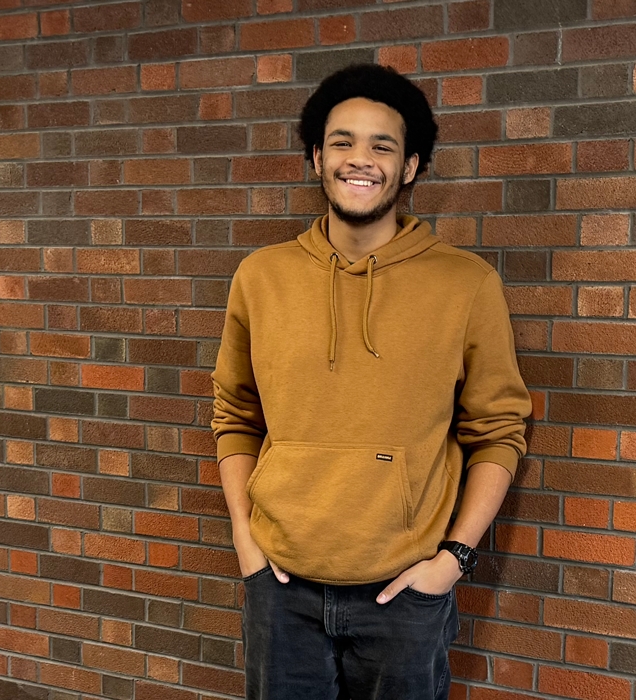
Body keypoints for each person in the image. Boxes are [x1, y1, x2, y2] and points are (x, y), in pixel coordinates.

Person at [211, 64, 532, 700]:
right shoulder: (260, 277)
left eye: (382, 145)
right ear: (316, 157)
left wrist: (452, 561)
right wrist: (247, 545)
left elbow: (498, 430)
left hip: (406, 597)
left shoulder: (465, 285)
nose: (361, 160)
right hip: (280, 593)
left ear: (410, 167)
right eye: (342, 142)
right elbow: (236, 416)